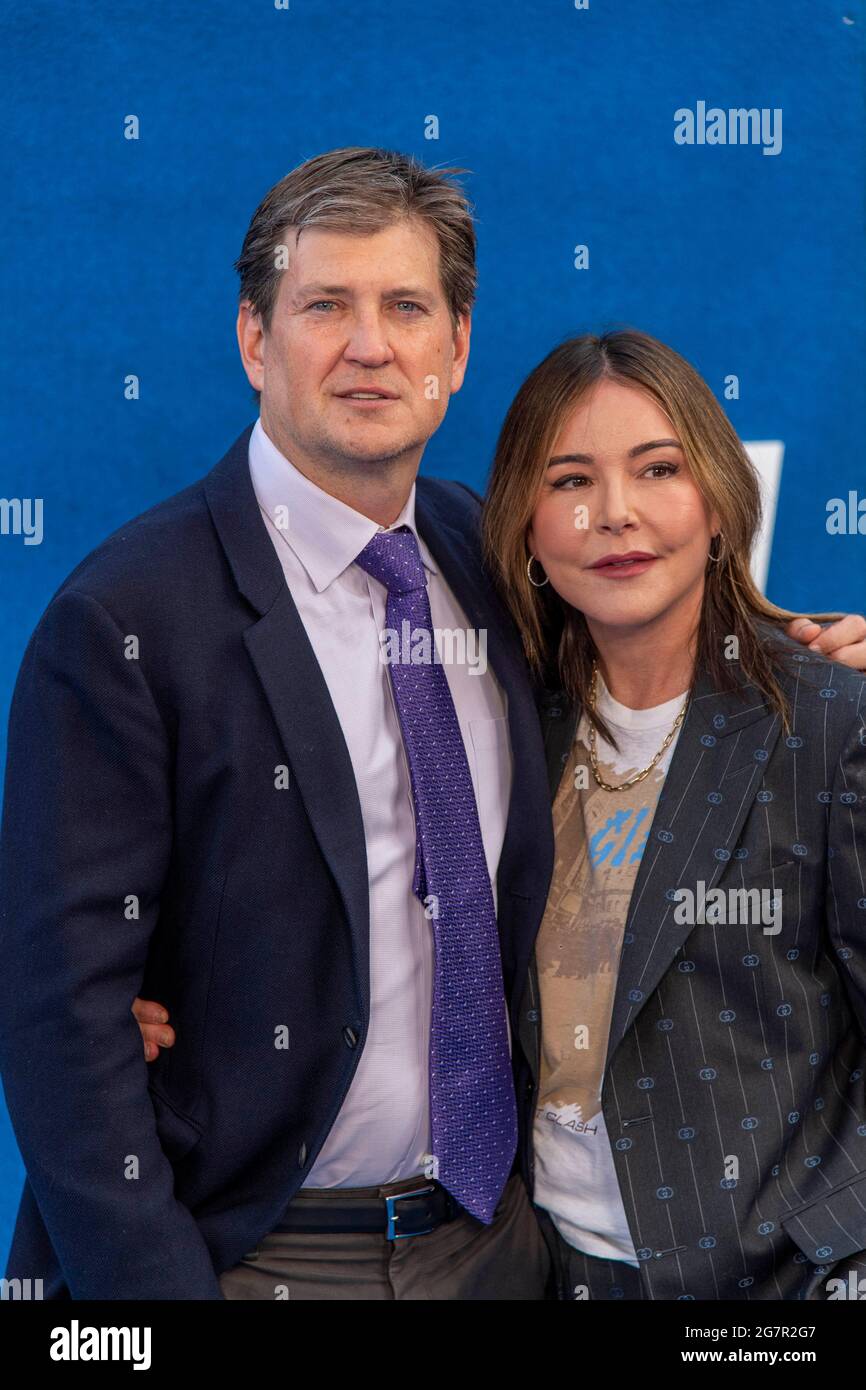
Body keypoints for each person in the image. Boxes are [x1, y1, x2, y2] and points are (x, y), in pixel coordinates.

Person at [2, 147, 862, 1302]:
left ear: (455, 348)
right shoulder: (124, 618)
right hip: (254, 1253)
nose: (370, 345)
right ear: (254, 339)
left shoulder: (484, 556)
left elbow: (657, 636)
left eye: (405, 305)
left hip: (498, 1249)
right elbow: (63, 1018)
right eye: (324, 306)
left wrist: (798, 642)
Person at [478, 329, 866, 1300]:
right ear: (524, 526)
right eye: (568, 480)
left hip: (773, 1289)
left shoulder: (824, 720)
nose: (614, 514)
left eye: (656, 468)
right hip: (539, 1271)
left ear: (720, 506)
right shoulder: (500, 726)